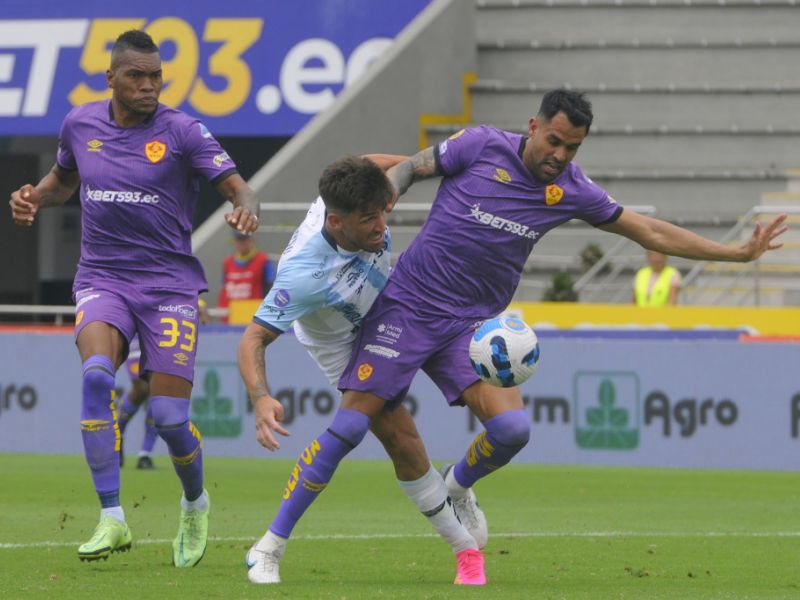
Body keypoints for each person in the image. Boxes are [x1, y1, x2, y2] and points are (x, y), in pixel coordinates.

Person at [248, 89, 789, 585]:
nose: (559, 154)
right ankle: (271, 545)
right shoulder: (480, 145)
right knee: (349, 426)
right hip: (407, 306)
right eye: (554, 140)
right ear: (533, 126)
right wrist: (378, 208)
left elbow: (646, 229)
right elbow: (411, 169)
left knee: (512, 430)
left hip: (472, 327)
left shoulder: (570, 190)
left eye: (571, 147)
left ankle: (457, 486)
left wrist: (735, 253)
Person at [8, 29, 260, 567]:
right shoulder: (80, 124)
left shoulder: (183, 131)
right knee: (98, 376)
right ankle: (112, 519)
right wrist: (35, 197)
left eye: (156, 78)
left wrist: (245, 207)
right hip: (103, 277)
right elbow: (62, 182)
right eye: (137, 77)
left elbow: (238, 185)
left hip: (169, 287)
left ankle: (195, 502)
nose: (149, 87)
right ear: (112, 79)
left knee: (169, 418)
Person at [237, 155, 486, 585]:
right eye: (368, 219)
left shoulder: (360, 196)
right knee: (389, 437)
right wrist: (261, 399)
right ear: (336, 223)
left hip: (393, 310)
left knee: (491, 416)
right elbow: (252, 339)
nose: (381, 227)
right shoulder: (303, 276)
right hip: (343, 342)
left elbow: (371, 162)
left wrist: (433, 163)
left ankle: (460, 490)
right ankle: (269, 547)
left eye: (382, 213)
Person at [117, 335, 158, 469]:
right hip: (137, 336)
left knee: (157, 390)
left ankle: (145, 454)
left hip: (161, 334)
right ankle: (116, 436)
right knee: (142, 388)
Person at [217, 231, 276, 323]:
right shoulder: (227, 262)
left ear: (251, 241)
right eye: (238, 240)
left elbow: (270, 288)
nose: (241, 243)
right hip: (231, 316)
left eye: (244, 240)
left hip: (254, 315)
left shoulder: (263, 260)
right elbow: (224, 288)